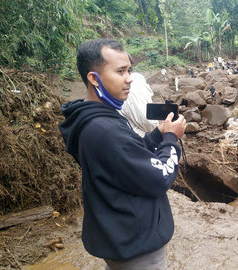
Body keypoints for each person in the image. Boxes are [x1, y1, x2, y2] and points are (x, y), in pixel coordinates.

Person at [58, 39, 186, 270]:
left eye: (129, 70)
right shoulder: (105, 129)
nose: (129, 79)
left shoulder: (91, 119)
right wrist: (171, 139)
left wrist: (157, 134)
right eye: (120, 71)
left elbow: (126, 156)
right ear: (93, 78)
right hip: (136, 245)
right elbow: (161, 177)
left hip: (118, 235)